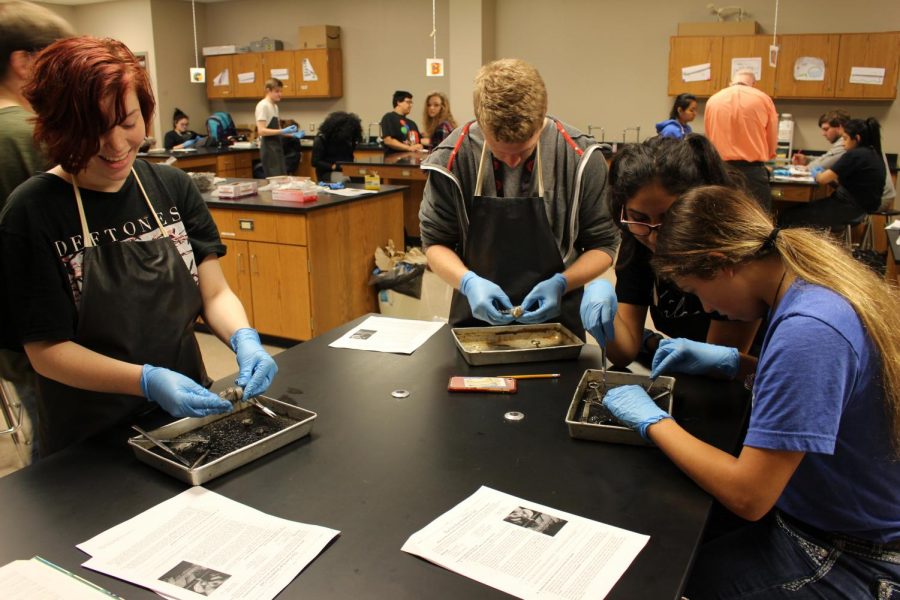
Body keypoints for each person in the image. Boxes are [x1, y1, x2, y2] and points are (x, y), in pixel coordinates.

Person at [600, 185, 900, 597]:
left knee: (657, 575)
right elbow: (826, 396)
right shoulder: (808, 286)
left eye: (697, 293)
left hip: (850, 552)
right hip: (831, 515)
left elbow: (749, 495)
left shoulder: (810, 330)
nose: (707, 309)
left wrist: (653, 421)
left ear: (722, 264)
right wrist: (740, 366)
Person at [0, 37, 278, 457]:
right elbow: (47, 351)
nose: (114, 146)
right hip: (90, 441)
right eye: (92, 130)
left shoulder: (171, 187)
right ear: (56, 128)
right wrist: (146, 379)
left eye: (127, 122)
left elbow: (214, 292)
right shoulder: (31, 212)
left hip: (188, 419)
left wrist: (243, 338)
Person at [419, 58, 619, 338]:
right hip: (475, 324)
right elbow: (435, 241)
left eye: (524, 151)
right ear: (479, 120)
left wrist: (561, 283)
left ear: (543, 117)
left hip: (559, 322)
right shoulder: (452, 158)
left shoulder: (580, 158)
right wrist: (467, 283)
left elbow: (604, 244)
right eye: (500, 153)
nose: (512, 162)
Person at [580, 135, 759, 371]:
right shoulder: (638, 241)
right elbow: (624, 353)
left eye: (670, 218)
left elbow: (716, 367)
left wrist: (654, 344)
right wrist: (605, 318)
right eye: (639, 219)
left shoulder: (731, 253)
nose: (655, 237)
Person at [0, 0, 73, 463]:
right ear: (24, 61)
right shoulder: (29, 134)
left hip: (15, 335)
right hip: (55, 337)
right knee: (68, 460)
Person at [779, 118, 887, 229]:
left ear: (857, 139)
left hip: (846, 208)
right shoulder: (873, 154)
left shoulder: (855, 155)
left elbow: (822, 179)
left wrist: (816, 172)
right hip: (860, 211)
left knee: (788, 215)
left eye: (845, 139)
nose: (843, 144)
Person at [704, 69, 778, 211]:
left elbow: (709, 137)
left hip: (720, 170)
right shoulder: (763, 99)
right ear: (753, 84)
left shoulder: (713, 100)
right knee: (758, 222)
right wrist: (767, 155)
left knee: (720, 218)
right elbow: (771, 141)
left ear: (731, 82)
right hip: (752, 173)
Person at [793, 110, 895, 211]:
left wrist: (812, 169)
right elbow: (828, 159)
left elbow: (822, 169)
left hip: (869, 201)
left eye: (826, 129)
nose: (823, 134)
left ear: (840, 127)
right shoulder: (869, 149)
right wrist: (808, 160)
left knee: (795, 213)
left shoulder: (853, 150)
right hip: (869, 200)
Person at [255, 78, 304, 177]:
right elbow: (261, 131)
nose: (280, 94)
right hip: (268, 148)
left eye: (281, 91)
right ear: (268, 90)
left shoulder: (275, 106)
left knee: (282, 177)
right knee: (274, 179)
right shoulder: (263, 105)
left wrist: (293, 135)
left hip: (277, 146)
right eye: (277, 91)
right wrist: (283, 130)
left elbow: (277, 130)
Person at [311, 111, 362, 182]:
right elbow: (315, 162)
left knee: (365, 178)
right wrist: (333, 166)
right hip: (327, 172)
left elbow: (350, 157)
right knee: (343, 180)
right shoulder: (322, 139)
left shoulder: (346, 140)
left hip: (345, 169)